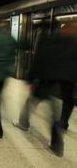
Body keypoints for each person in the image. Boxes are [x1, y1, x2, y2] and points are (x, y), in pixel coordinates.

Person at [13, 21, 77, 157]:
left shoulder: (49, 40)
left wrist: (30, 79)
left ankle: (23, 123)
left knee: (31, 102)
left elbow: (39, 60)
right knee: (56, 112)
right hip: (65, 83)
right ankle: (57, 144)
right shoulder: (74, 43)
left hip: (47, 79)